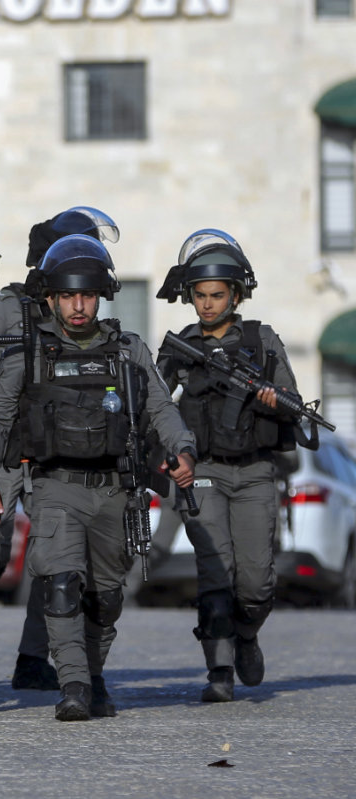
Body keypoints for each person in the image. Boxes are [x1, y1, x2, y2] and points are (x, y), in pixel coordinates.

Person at [0, 234, 196, 721]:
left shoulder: (128, 350)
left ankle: (93, 675)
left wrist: (182, 449)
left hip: (115, 491)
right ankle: (72, 684)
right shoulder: (28, 356)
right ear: (51, 298)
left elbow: (162, 407)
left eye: (88, 296)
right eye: (69, 296)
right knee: (60, 584)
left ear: (101, 297)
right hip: (56, 489)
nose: (78, 307)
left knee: (106, 598)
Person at [155, 229, 304, 703]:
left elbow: (294, 402)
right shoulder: (180, 347)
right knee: (215, 573)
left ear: (235, 294)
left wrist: (272, 401)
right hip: (204, 474)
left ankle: (247, 634)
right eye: (199, 296)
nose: (207, 305)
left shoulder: (262, 341)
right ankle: (219, 671)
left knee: (256, 581)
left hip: (257, 472)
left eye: (217, 295)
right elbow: (156, 407)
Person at [0, 206, 121, 693]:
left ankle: (32, 657)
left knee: (56, 563)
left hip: (54, 455)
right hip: (5, 452)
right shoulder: (5, 308)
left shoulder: (86, 324)